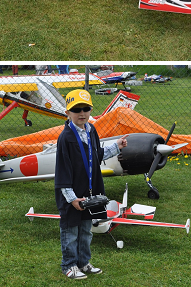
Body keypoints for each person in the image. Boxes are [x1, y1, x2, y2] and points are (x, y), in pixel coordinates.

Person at [55, 89, 128, 279]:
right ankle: (69, 265)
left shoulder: (91, 130)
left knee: (86, 231)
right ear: (67, 113)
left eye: (85, 108)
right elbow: (62, 171)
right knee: (71, 232)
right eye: (76, 109)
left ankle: (83, 262)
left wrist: (116, 146)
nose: (81, 113)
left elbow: (96, 155)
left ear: (90, 110)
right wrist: (72, 199)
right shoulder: (66, 138)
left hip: (89, 194)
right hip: (72, 195)